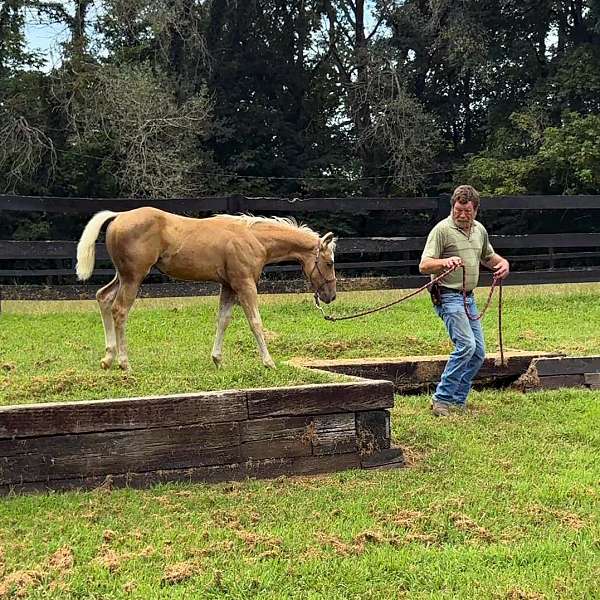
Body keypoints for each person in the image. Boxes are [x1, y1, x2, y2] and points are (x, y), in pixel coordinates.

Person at [419, 185, 510, 416]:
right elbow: (424, 265)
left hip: (468, 298)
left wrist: (503, 264)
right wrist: (443, 262)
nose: (461, 215)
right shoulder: (442, 230)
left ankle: (457, 401)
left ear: (475, 210)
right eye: (458, 210)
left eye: (466, 211)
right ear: (453, 207)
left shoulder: (479, 231)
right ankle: (441, 399)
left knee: (478, 352)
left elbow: (488, 257)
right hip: (447, 296)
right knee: (466, 346)